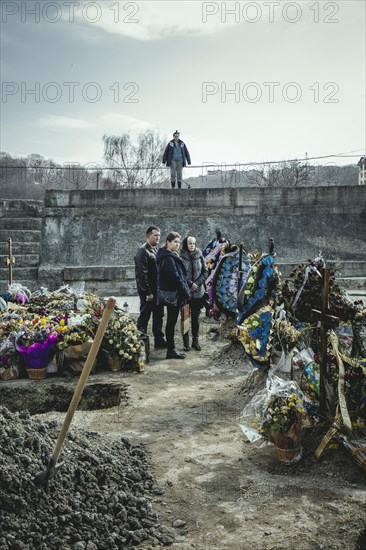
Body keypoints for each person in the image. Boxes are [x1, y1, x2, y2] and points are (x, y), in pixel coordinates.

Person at [156, 232, 190, 359]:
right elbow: (175, 278)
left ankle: (171, 349)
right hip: (173, 294)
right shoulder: (169, 258)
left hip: (171, 293)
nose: (177, 244)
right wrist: (186, 292)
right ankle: (171, 350)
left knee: (170, 322)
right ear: (168, 242)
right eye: (175, 242)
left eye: (179, 242)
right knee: (171, 322)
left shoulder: (167, 255)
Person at [134, 226, 167, 349]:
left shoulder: (157, 250)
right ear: (148, 236)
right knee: (145, 316)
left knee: (159, 316)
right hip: (148, 293)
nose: (158, 237)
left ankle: (159, 340)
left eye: (159, 235)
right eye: (155, 235)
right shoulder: (142, 251)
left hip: (158, 291)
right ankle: (140, 343)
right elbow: (141, 274)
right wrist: (147, 292)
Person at [180, 236, 208, 351]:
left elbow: (205, 272)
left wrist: (197, 283)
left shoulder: (199, 255)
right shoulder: (180, 256)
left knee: (196, 319)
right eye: (190, 243)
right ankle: (185, 342)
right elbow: (180, 273)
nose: (192, 245)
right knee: (185, 318)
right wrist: (190, 284)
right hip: (185, 292)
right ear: (185, 244)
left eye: (193, 243)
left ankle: (195, 341)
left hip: (198, 293)